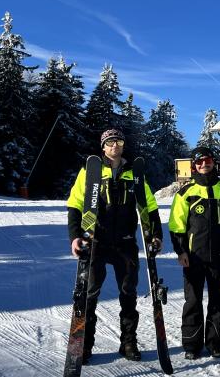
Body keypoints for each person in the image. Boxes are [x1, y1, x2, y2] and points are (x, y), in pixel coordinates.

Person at [66, 129, 163, 364]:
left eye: (118, 141)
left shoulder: (135, 173)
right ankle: (84, 345)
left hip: (126, 242)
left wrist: (155, 235)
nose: (115, 146)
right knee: (89, 295)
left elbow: (149, 207)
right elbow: (76, 204)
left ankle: (128, 342)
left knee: (128, 294)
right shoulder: (91, 171)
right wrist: (75, 235)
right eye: (110, 142)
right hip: (95, 241)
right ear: (103, 146)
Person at [168, 146, 220, 360]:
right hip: (194, 256)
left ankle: (215, 342)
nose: (203, 165)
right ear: (194, 166)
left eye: (207, 160)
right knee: (193, 301)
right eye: (199, 162)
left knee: (218, 301)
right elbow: (176, 225)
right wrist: (181, 251)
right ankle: (192, 344)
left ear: (214, 162)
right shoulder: (185, 192)